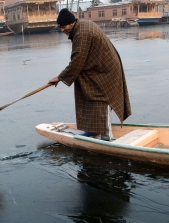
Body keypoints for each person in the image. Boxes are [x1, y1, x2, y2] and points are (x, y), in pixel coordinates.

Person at [48, 8, 131, 141]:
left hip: (106, 70)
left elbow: (77, 61)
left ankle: (107, 137)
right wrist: (62, 77)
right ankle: (93, 130)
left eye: (63, 27)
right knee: (90, 96)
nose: (62, 30)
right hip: (99, 67)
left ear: (71, 23)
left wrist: (60, 77)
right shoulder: (81, 26)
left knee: (102, 99)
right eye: (60, 27)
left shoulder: (82, 33)